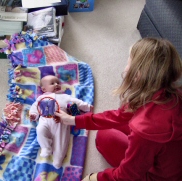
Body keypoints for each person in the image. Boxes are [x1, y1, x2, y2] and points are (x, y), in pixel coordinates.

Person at [54, 37, 182, 181]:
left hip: (160, 176)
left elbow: (127, 176)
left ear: (138, 74)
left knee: (104, 138)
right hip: (169, 159)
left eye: (129, 62)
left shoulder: (145, 130)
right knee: (108, 130)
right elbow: (118, 116)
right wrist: (75, 120)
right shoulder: (168, 92)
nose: (125, 67)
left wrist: (95, 178)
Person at [29, 75, 92, 169]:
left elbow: (77, 102)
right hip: (45, 121)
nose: (56, 84)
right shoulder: (41, 98)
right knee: (40, 130)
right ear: (44, 89)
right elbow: (34, 107)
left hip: (61, 123)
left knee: (61, 142)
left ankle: (58, 159)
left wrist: (87, 107)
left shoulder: (65, 96)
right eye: (52, 83)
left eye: (58, 82)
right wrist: (33, 115)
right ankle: (46, 147)